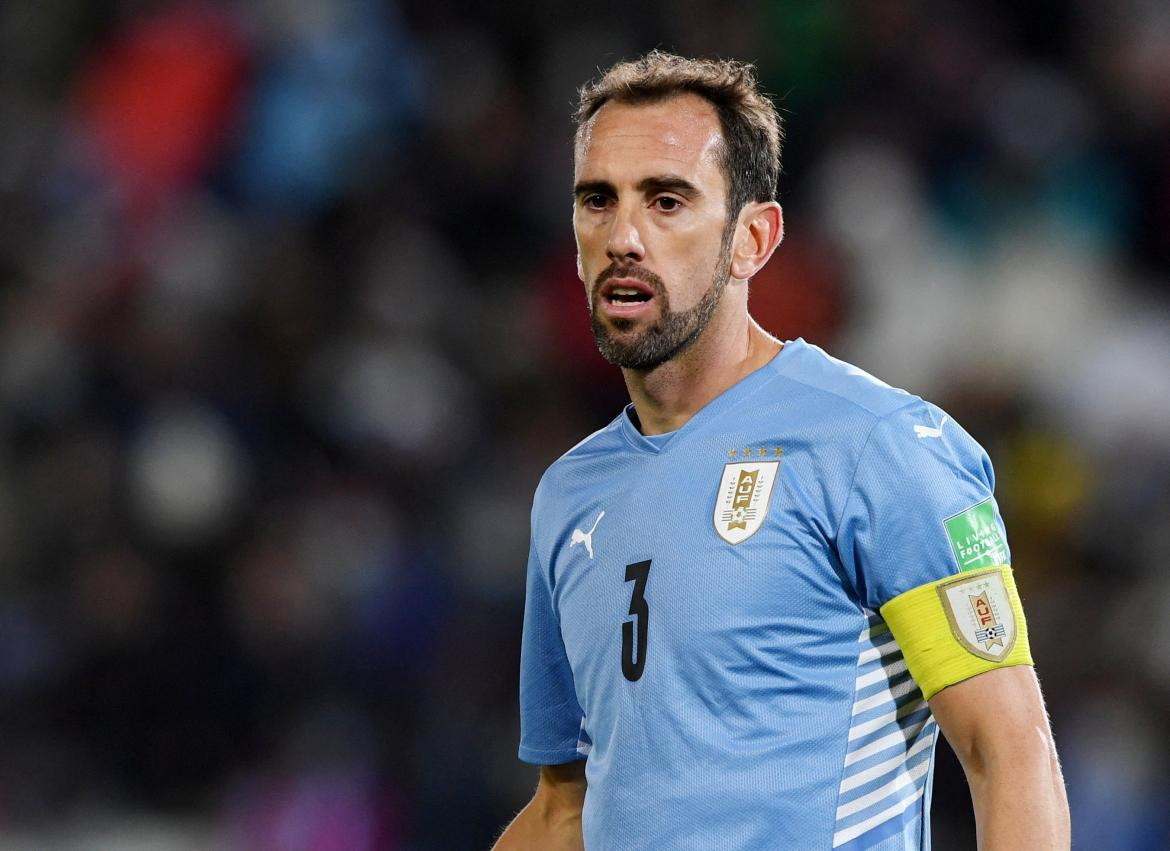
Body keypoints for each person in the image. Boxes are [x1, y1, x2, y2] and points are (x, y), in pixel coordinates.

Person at [494, 51, 1069, 850]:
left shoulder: (876, 447)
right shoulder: (569, 494)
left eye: (667, 200)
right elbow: (566, 809)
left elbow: (1007, 752)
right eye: (598, 200)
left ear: (752, 239)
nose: (624, 236)